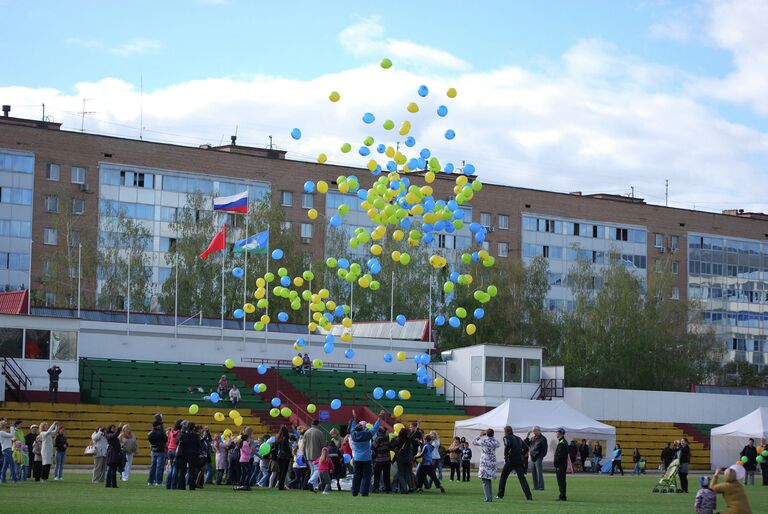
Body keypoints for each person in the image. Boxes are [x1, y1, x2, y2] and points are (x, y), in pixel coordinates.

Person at [348, 409, 385, 496]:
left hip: (356, 458)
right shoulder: (367, 434)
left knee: (356, 476)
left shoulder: (353, 434)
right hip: (366, 459)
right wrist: (379, 419)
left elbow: (352, 427)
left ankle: (354, 492)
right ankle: (364, 492)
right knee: (366, 476)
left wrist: (354, 418)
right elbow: (375, 428)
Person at [496, 425, 532, 501]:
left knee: (503, 477)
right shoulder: (518, 438)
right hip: (519, 461)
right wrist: (521, 455)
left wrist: (506, 456)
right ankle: (529, 496)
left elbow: (507, 445)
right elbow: (526, 448)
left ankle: (500, 495)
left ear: (505, 431)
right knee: (522, 478)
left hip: (510, 460)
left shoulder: (506, 437)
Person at [473, 428, 500, 503]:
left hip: (485, 463)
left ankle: (488, 498)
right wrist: (492, 436)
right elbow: (499, 444)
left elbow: (474, 442)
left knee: (485, 481)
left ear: (486, 434)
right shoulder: (494, 441)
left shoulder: (484, 441)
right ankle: (489, 497)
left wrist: (480, 435)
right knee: (488, 480)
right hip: (492, 463)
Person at [176, 421, 202, 490]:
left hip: (183, 454)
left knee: (182, 471)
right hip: (193, 454)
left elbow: (177, 442)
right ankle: (192, 486)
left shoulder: (182, 435)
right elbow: (199, 445)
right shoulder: (196, 436)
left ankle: (181, 486)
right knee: (192, 471)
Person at [303, 419, 325, 491]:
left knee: (313, 470)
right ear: (318, 424)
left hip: (308, 454)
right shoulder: (319, 432)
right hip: (317, 454)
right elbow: (323, 445)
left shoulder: (306, 432)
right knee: (317, 470)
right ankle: (311, 482)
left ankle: (314, 487)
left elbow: (304, 445)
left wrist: (304, 454)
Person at [147, 420, 167, 486]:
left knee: (153, 466)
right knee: (159, 467)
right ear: (157, 425)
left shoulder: (150, 433)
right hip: (160, 450)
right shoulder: (161, 433)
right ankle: (158, 482)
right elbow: (166, 439)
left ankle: (150, 481)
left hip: (153, 450)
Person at [371, 426, 391, 493]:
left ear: (378, 432)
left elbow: (373, 447)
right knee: (386, 475)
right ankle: (388, 489)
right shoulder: (387, 438)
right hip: (387, 459)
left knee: (377, 475)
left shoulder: (377, 439)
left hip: (379, 460)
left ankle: (376, 488)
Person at [527, 426, 547, 491]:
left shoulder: (543, 438)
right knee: (533, 473)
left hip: (538, 457)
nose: (534, 432)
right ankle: (535, 486)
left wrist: (541, 457)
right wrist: (527, 436)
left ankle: (541, 487)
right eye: (533, 431)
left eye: (535, 431)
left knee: (539, 473)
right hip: (532, 458)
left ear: (538, 431)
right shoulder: (532, 438)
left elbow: (544, 450)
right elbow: (526, 443)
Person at [165, 420, 182, 489]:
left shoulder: (171, 432)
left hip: (170, 450)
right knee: (175, 468)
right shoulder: (179, 433)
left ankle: (168, 484)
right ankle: (173, 485)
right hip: (175, 450)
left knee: (171, 468)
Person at [0, 420, 18, 484]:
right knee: (12, 465)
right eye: (5, 424)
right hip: (6, 450)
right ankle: (15, 480)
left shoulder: (4, 433)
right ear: (3, 425)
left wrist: (13, 439)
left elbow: (10, 437)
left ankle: (2, 479)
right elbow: (11, 435)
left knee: (5, 466)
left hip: (7, 450)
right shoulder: (1, 432)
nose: (6, 425)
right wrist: (12, 427)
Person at [553, 428, 568, 502]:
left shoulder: (562, 443)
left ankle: (562, 496)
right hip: (561, 465)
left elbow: (560, 455)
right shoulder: (562, 442)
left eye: (557, 432)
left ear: (560, 433)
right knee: (561, 481)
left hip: (560, 465)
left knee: (561, 481)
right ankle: (562, 495)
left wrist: (556, 462)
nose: (556, 433)